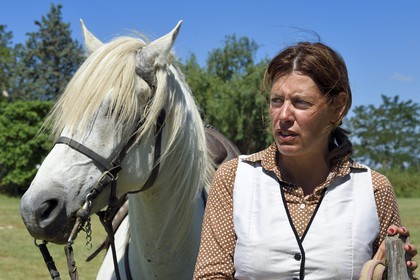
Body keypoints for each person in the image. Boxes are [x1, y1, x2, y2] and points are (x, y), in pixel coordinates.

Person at [193, 42, 417, 279]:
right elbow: (211, 274)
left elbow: (392, 271)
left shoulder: (373, 190)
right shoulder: (234, 178)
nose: (284, 115)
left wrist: (395, 272)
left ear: (337, 108)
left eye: (301, 103)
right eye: (277, 100)